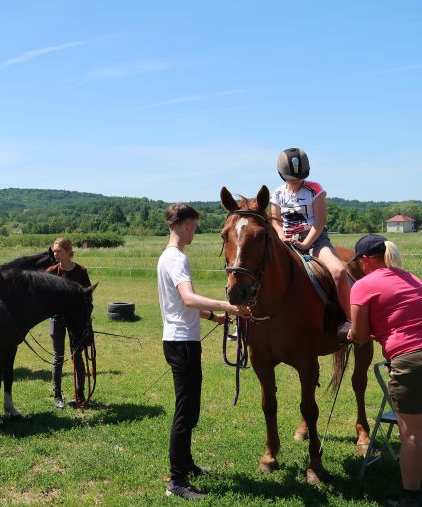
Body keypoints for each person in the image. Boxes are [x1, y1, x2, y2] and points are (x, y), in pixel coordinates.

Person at [157, 204, 250, 500]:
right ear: (186, 226)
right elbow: (188, 298)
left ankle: (186, 464)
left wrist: (213, 317)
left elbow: (179, 304)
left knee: (191, 408)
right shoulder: (177, 259)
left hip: (179, 340)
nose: (194, 232)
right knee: (185, 412)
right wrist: (228, 306)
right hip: (182, 343)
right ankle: (177, 480)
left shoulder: (167, 257)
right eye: (194, 227)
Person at [347, 234, 422, 507]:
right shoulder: (412, 277)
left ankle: (410, 497)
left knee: (412, 434)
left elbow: (360, 336)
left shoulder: (363, 285)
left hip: (410, 360)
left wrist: (350, 333)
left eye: (359, 262)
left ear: (365, 260)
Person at [269, 148, 351, 337]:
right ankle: (248, 321)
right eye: (291, 177)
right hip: (286, 242)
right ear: (281, 174)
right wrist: (281, 235)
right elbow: (275, 221)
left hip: (316, 241)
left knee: (339, 272)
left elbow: (320, 222)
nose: (296, 180)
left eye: (300, 177)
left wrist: (306, 244)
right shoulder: (278, 194)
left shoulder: (315, 189)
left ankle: (349, 319)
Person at [46, 238, 92, 409]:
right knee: (58, 357)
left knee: (77, 356)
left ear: (68, 251)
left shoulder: (81, 271)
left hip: (76, 322)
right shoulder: (51, 272)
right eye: (54, 251)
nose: (55, 254)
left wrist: (85, 319)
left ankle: (80, 394)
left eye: (58, 251)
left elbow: (88, 298)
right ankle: (57, 395)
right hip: (57, 319)